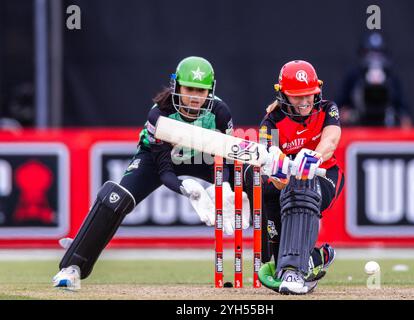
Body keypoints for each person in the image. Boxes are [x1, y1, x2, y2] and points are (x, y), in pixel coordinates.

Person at [52, 56, 248, 290]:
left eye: (202, 91)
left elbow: (226, 160)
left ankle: (285, 267)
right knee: (117, 198)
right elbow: (165, 171)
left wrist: (223, 186)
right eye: (190, 89)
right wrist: (187, 190)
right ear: (177, 86)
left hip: (201, 156)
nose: (196, 97)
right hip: (157, 158)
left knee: (254, 183)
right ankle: (72, 266)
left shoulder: (220, 111)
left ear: (211, 91)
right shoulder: (160, 114)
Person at [253, 60, 345, 295]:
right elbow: (277, 182)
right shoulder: (270, 122)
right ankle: (315, 256)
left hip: (325, 177)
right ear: (283, 94)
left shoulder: (327, 108)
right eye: (297, 96)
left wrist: (313, 157)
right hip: (287, 187)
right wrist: (278, 170)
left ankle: (293, 269)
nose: (305, 102)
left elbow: (331, 141)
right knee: (276, 188)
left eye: (309, 95)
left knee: (303, 183)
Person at [337, 31, 412, 128]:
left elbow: (404, 114)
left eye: (378, 53)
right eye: (370, 52)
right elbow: (338, 109)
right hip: (358, 129)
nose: (374, 57)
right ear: (363, 53)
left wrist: (400, 118)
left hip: (387, 129)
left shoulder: (392, 78)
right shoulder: (354, 76)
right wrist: (347, 115)